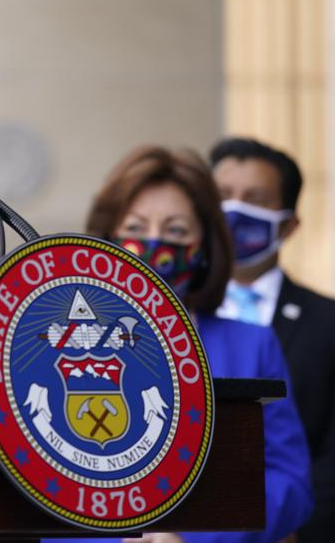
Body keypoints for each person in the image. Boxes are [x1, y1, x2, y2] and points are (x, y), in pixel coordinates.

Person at [44, 146, 312, 543]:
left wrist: (191, 537)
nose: (155, 244)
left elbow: (289, 484)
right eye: (136, 229)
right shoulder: (58, 345)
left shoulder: (252, 345)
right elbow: (36, 481)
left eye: (176, 231)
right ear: (108, 241)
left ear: (205, 247)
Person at [210, 137, 335, 543]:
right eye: (223, 196)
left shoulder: (327, 322)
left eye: (255, 198)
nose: (234, 210)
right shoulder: (175, 320)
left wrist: (293, 528)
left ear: (288, 223)